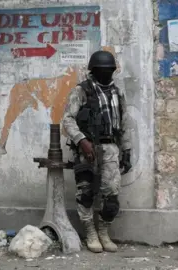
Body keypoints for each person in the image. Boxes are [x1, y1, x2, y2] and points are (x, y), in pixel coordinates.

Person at [62, 50, 133, 253]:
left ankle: (103, 231)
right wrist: (81, 140)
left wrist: (126, 151)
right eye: (101, 70)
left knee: (111, 195)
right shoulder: (81, 91)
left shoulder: (117, 93)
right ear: (93, 71)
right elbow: (68, 119)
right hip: (87, 149)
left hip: (110, 148)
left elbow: (125, 123)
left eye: (108, 70)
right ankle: (90, 232)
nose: (105, 73)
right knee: (86, 192)